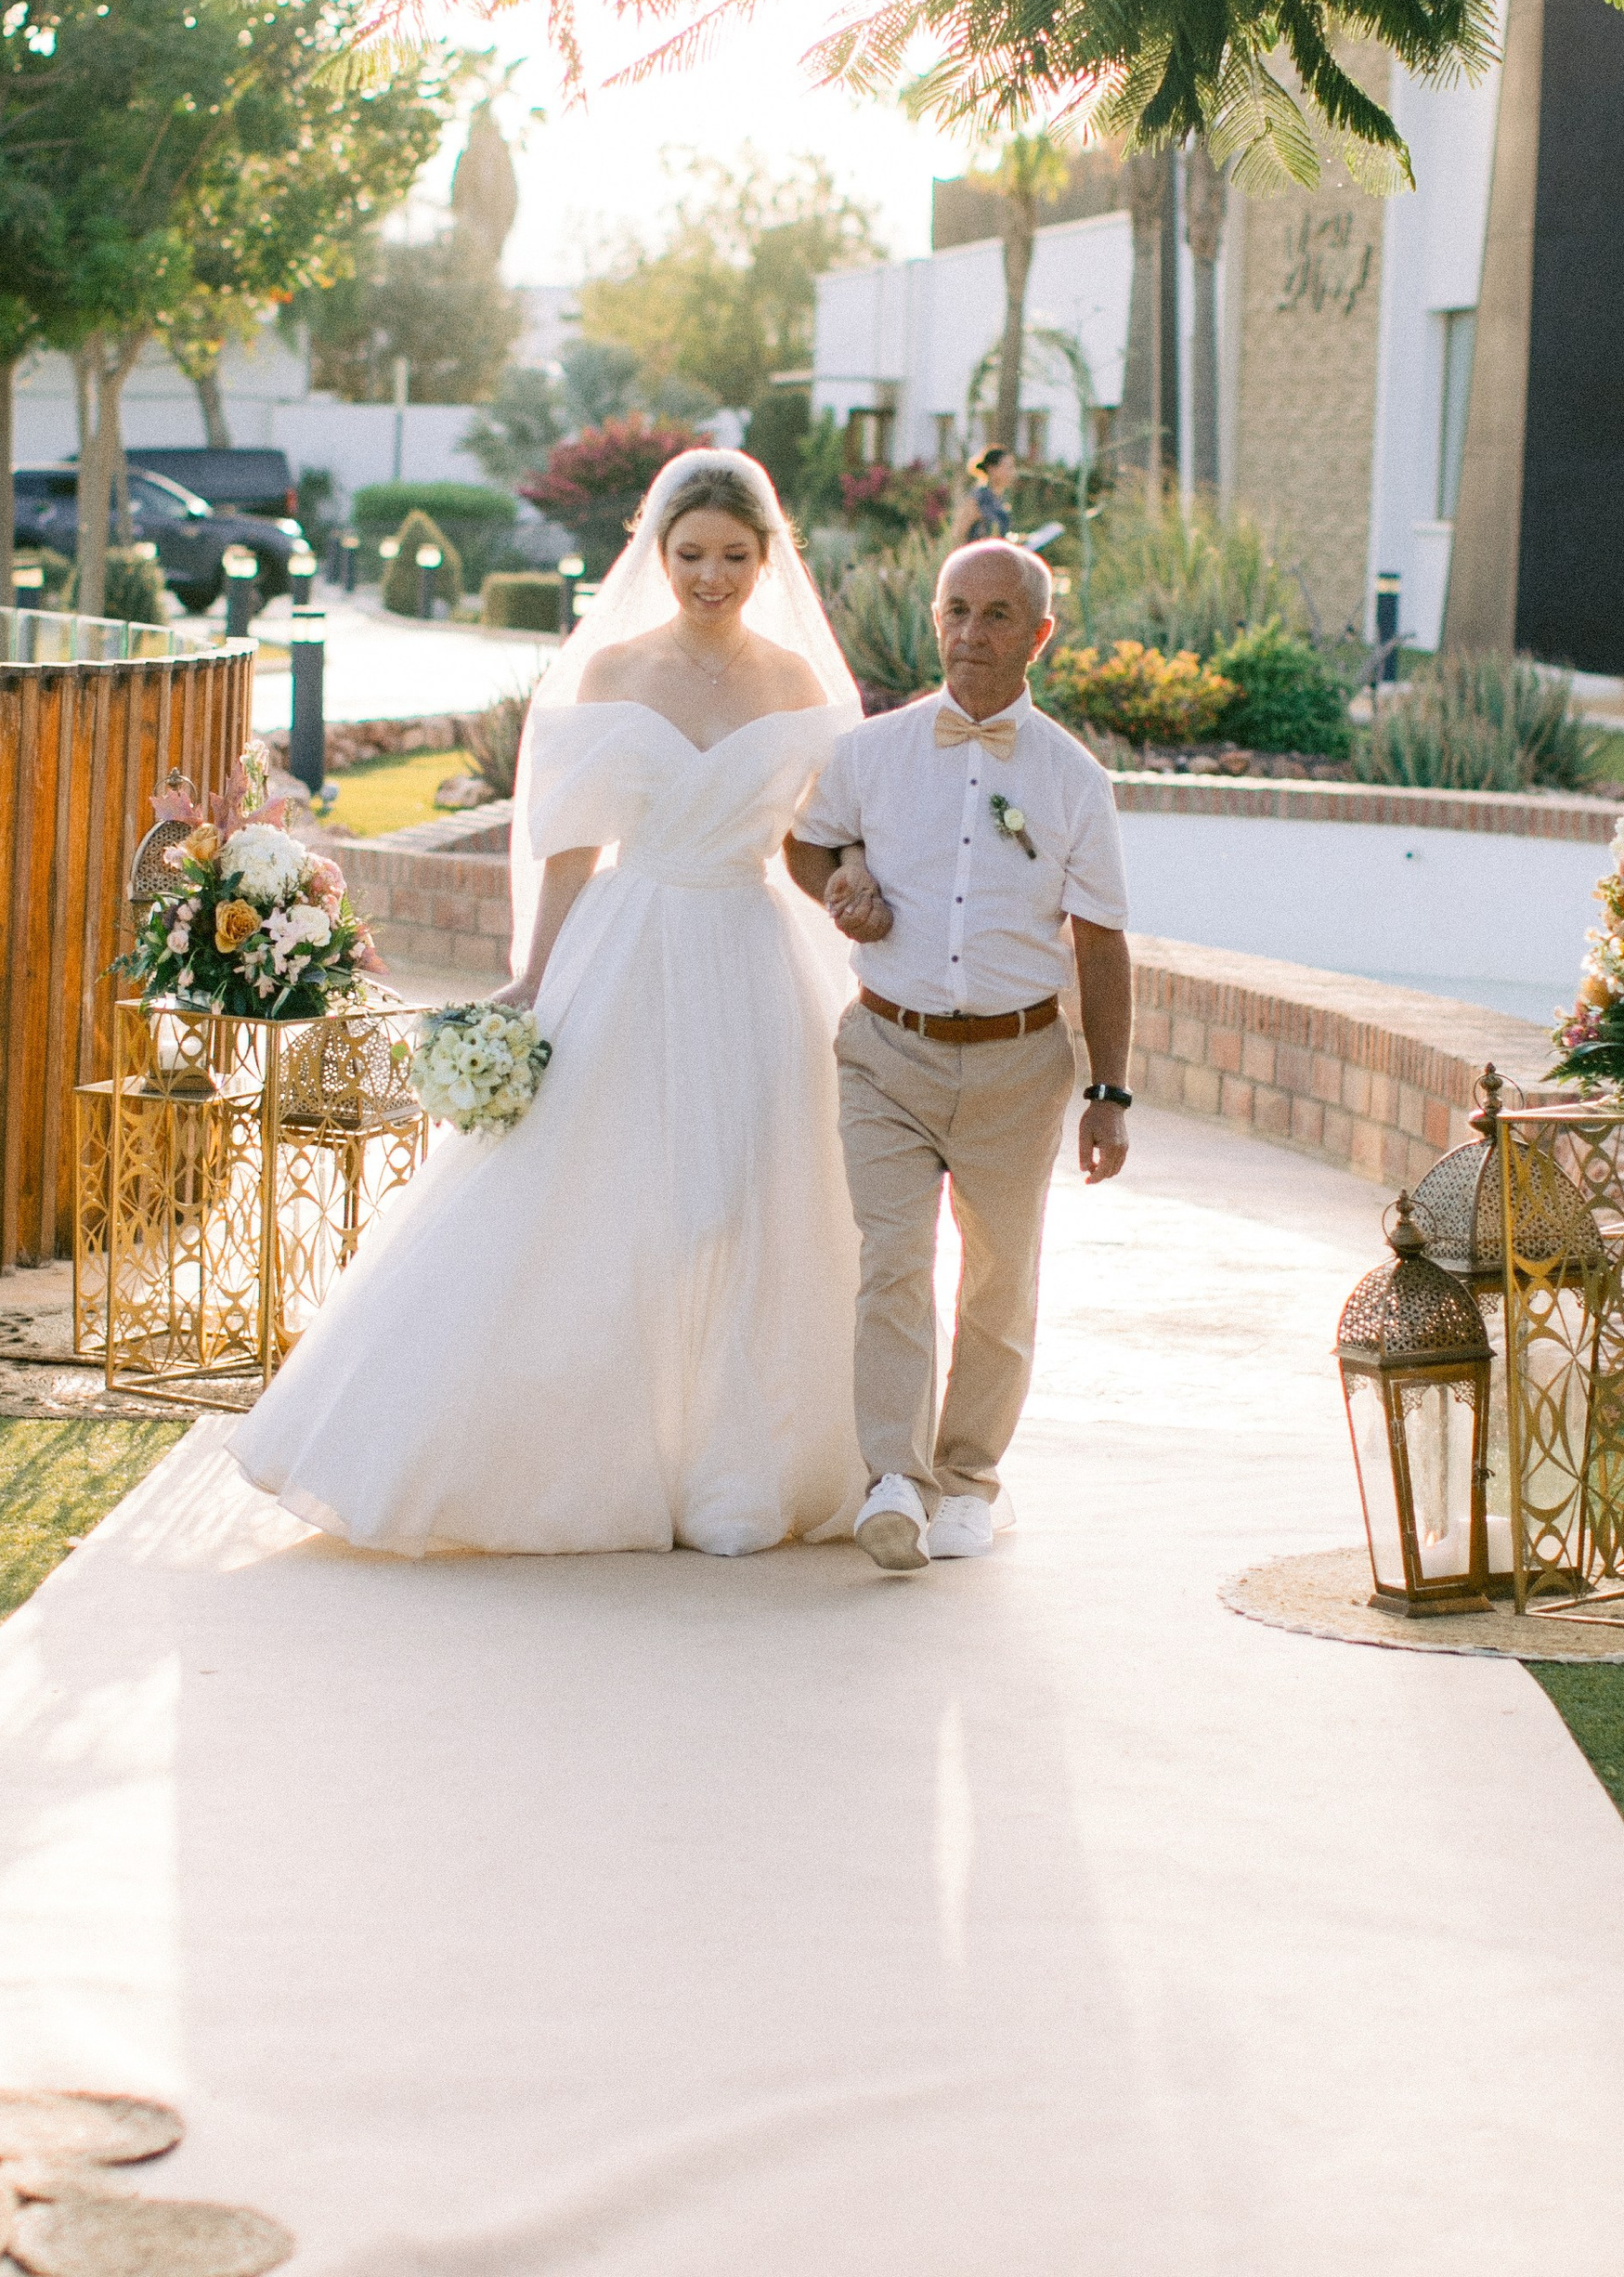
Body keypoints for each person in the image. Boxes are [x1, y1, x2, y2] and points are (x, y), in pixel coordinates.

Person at [225, 449, 865, 1556]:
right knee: (606, 1204)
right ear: (656, 552)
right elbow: (569, 849)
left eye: (733, 557)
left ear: (768, 558)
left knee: (750, 1205)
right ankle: (566, 1463)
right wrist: (533, 977)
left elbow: (829, 835)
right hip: (630, 950)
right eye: (691, 556)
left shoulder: (802, 687)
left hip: (750, 953)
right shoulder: (611, 672)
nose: (711, 577)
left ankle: (734, 1471)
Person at [786, 540, 1135, 1572]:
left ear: (1037, 634)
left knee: (995, 1280)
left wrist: (1109, 1093)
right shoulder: (871, 751)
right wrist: (839, 880)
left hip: (1018, 1066)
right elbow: (808, 841)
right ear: (932, 619)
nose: (970, 633)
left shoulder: (1074, 780)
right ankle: (892, 1474)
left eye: (995, 616)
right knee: (891, 1260)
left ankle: (971, 1477)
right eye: (955, 611)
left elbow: (1102, 939)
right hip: (885, 1050)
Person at [959, 445, 1017, 543]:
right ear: (991, 468)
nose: (1012, 473)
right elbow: (959, 532)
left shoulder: (1002, 499)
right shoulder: (979, 497)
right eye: (1008, 468)